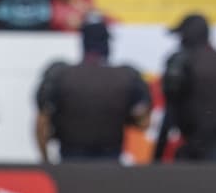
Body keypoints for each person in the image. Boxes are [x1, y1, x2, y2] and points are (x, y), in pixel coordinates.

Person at [35, 16, 151, 162]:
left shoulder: (60, 74)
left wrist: (45, 160)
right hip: (110, 160)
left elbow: (41, 124)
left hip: (71, 160)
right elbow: (143, 123)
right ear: (107, 43)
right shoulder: (127, 76)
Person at [154, 14, 216, 162]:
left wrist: (156, 158)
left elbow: (170, 114)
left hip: (198, 154)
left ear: (186, 37)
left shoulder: (182, 63)